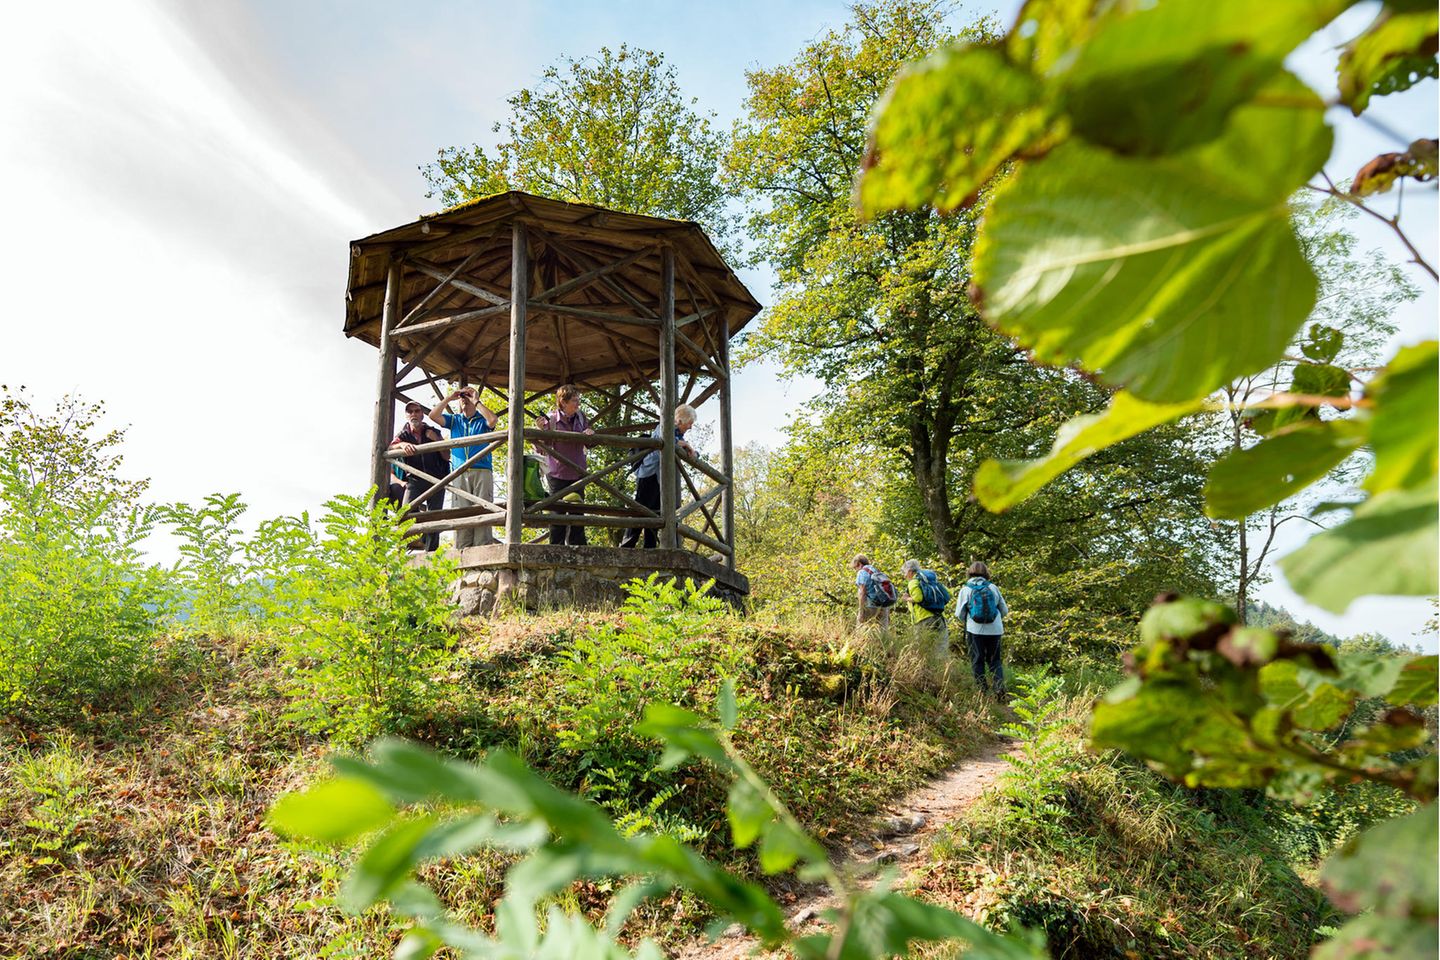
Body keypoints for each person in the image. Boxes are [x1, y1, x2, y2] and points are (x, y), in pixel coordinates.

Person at [428, 384, 498, 549]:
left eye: (468, 396)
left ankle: (482, 548)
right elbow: (433, 415)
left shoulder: (482, 420)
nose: (465, 399)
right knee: (461, 511)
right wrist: (450, 398)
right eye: (462, 397)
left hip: (482, 470)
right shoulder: (454, 420)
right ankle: (462, 548)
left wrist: (477, 402)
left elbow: (493, 420)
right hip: (459, 472)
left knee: (483, 509)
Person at [620, 404, 696, 549]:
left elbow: (682, 447)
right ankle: (627, 545)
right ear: (680, 420)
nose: (690, 427)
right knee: (641, 510)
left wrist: (690, 450)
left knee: (655, 511)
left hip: (659, 477)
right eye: (689, 423)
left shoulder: (679, 435)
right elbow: (666, 441)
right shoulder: (664, 426)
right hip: (648, 473)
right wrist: (685, 445)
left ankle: (650, 546)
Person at [535, 384, 595, 546]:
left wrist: (590, 435)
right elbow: (540, 448)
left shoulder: (582, 418)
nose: (578, 404)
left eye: (578, 400)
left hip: (578, 473)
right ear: (563, 402)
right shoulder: (551, 420)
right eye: (574, 400)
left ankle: (579, 548)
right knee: (557, 513)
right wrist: (539, 431)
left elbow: (590, 443)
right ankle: (556, 548)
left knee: (577, 512)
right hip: (557, 474)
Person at [389, 401, 448, 551]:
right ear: (406, 415)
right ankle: (409, 544)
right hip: (415, 478)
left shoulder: (433, 431)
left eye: (416, 411)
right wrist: (401, 445)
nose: (413, 414)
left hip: (436, 478)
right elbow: (389, 447)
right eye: (410, 412)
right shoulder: (403, 434)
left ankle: (432, 552)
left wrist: (436, 440)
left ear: (422, 414)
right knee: (406, 512)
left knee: (434, 515)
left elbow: (447, 455)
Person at [955, 561, 1009, 699]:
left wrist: (970, 621)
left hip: (975, 630)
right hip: (995, 630)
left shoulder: (965, 589)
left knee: (977, 660)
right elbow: (1004, 610)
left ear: (969, 572)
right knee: (995, 660)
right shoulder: (993, 587)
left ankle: (982, 692)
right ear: (986, 572)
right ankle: (999, 689)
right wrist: (994, 620)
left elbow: (959, 614)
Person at [901, 559, 950, 659]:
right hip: (939, 617)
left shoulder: (913, 582)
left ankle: (925, 671)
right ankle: (943, 669)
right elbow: (948, 594)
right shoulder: (932, 581)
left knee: (922, 648)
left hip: (923, 619)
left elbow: (918, 598)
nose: (904, 575)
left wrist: (907, 598)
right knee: (941, 647)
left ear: (910, 571)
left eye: (905, 572)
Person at [851, 554, 895, 630]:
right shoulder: (876, 571)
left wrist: (861, 610)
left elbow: (862, 592)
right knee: (883, 630)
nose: (856, 570)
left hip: (871, 604)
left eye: (855, 568)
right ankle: (884, 641)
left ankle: (862, 641)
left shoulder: (862, 572)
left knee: (861, 628)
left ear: (859, 564)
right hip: (884, 604)